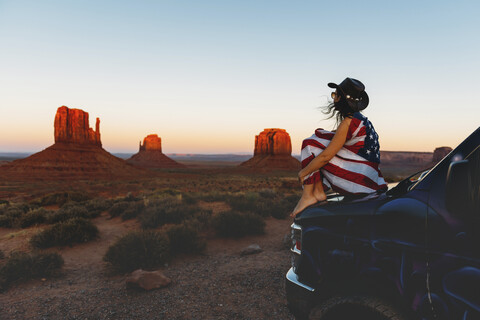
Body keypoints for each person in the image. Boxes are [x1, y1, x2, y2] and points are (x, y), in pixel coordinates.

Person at [291, 77, 387, 217]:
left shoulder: (348, 122)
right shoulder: (361, 121)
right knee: (320, 136)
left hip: (358, 183)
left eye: (335, 95)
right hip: (369, 180)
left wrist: (303, 172)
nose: (333, 98)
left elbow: (325, 157)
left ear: (343, 99)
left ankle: (308, 195)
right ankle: (317, 192)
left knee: (310, 144)